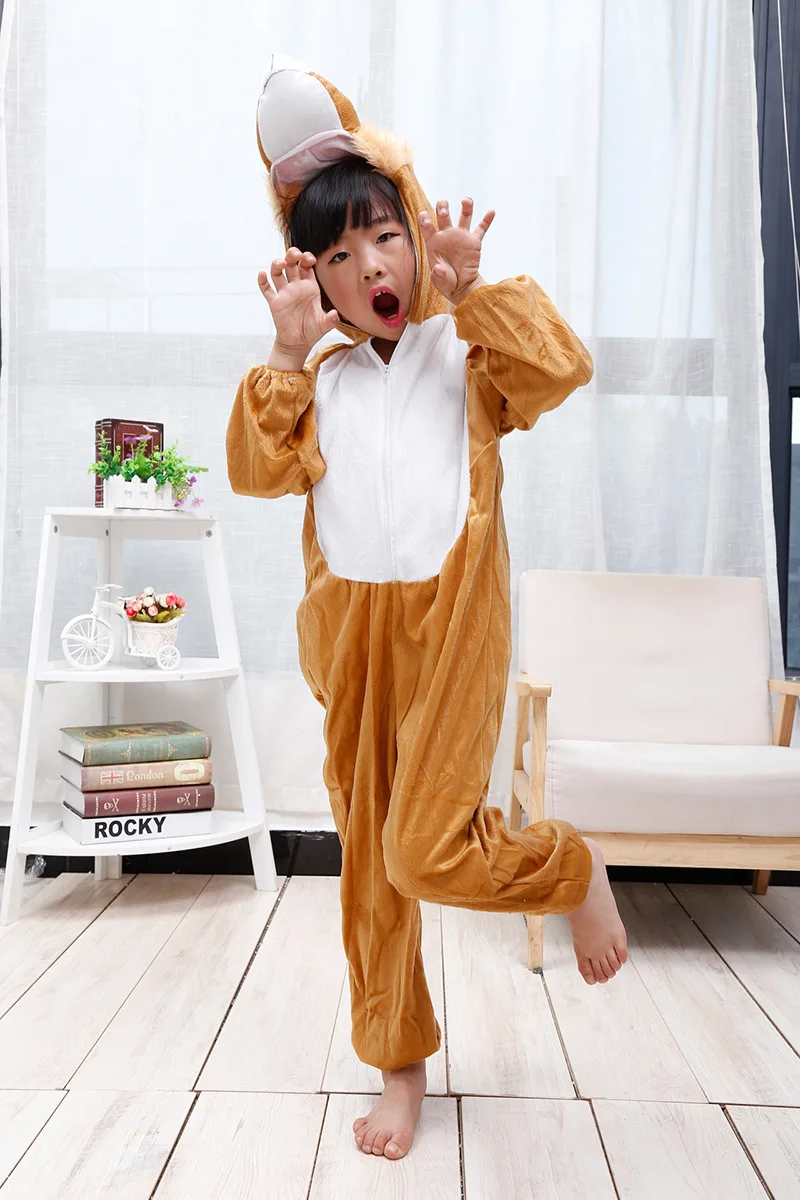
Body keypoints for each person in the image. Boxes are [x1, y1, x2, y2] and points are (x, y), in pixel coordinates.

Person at [227, 56, 627, 1162]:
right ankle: (398, 1068)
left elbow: (561, 370)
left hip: (452, 629)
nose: (369, 266)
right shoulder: (321, 377)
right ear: (319, 283)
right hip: (352, 636)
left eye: (383, 237)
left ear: (414, 233)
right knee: (371, 869)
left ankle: (569, 867)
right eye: (337, 257)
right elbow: (257, 474)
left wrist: (471, 288)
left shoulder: (466, 354)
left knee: (421, 849)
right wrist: (285, 348)